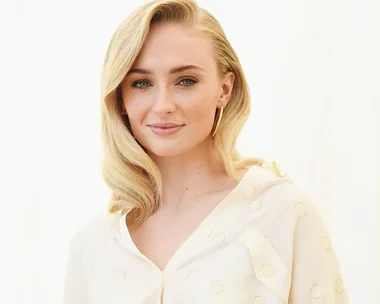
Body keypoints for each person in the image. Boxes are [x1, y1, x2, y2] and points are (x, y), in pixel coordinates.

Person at [63, 0, 349, 303]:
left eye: (186, 81)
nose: (162, 106)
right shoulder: (93, 246)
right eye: (141, 83)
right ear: (120, 98)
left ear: (224, 89)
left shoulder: (283, 213)